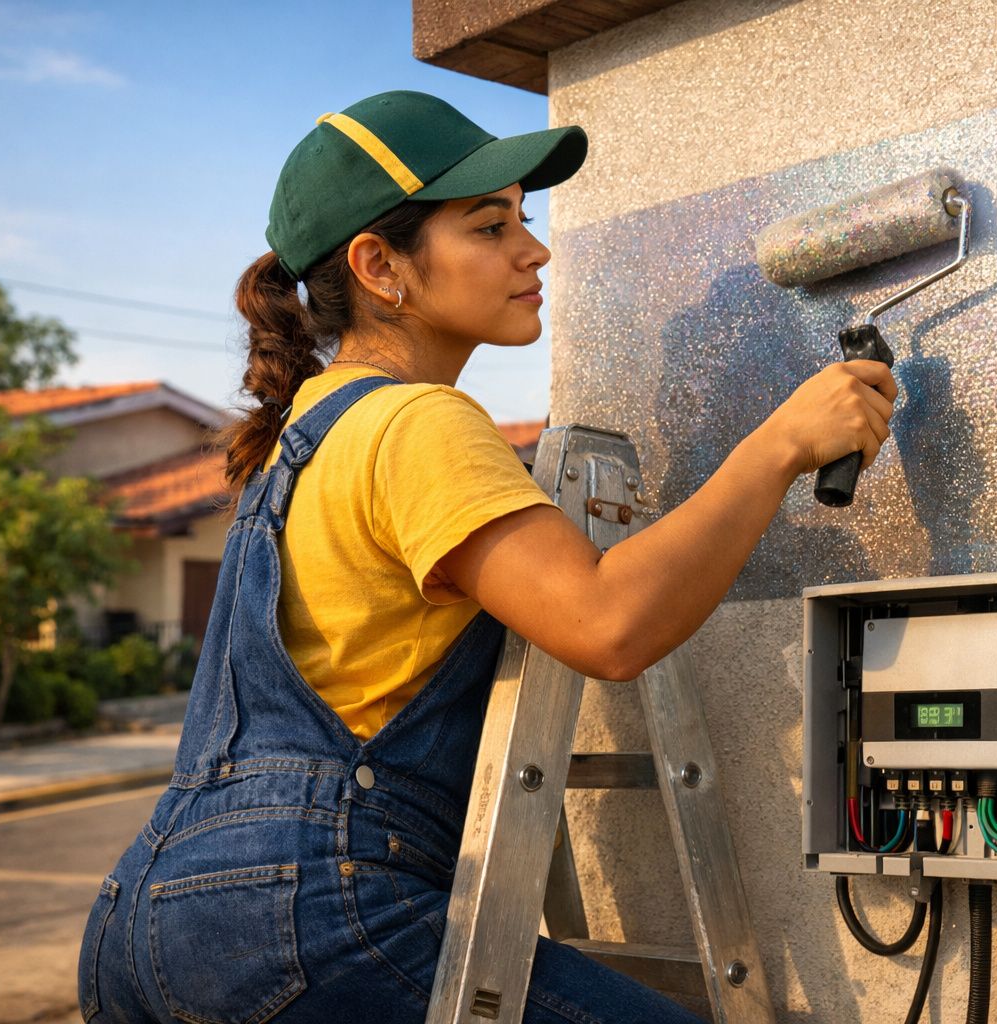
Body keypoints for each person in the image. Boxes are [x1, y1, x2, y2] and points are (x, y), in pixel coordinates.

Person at [77, 90, 895, 1023]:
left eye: (524, 219)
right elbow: (607, 622)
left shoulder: (301, 438)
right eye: (489, 226)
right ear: (379, 266)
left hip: (139, 927)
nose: (533, 250)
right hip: (301, 921)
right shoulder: (416, 422)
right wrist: (782, 444)